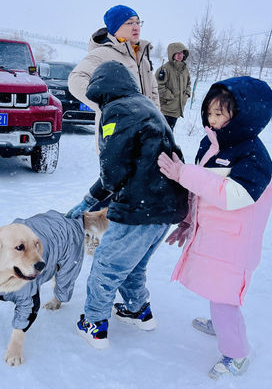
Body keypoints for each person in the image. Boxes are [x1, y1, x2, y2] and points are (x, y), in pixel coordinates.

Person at [156, 76, 272, 379]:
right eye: (209, 112)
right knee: (217, 290)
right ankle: (222, 323)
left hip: (234, 245)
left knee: (225, 298)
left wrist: (183, 173)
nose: (211, 119)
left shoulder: (254, 157)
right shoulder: (215, 143)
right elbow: (204, 192)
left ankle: (236, 354)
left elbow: (232, 195)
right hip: (216, 237)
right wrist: (188, 221)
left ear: (243, 115)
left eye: (220, 113)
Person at [65, 60, 188, 350]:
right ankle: (138, 311)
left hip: (139, 208)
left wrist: (89, 199)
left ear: (101, 90)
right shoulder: (144, 106)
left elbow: (113, 169)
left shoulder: (116, 111)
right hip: (165, 206)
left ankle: (94, 324)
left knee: (106, 266)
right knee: (133, 266)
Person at [68, 5, 160, 148]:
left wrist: (157, 122)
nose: (136, 27)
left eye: (138, 22)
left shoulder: (141, 56)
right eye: (129, 23)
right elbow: (76, 80)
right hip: (118, 137)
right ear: (115, 29)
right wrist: (111, 108)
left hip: (146, 135)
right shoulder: (103, 54)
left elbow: (153, 92)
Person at [157, 42, 191, 130]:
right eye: (177, 53)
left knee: (169, 134)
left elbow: (189, 83)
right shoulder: (164, 69)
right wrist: (170, 97)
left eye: (182, 53)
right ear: (172, 54)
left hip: (177, 109)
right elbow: (158, 86)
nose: (180, 55)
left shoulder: (184, 69)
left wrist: (187, 94)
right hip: (166, 109)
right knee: (162, 134)